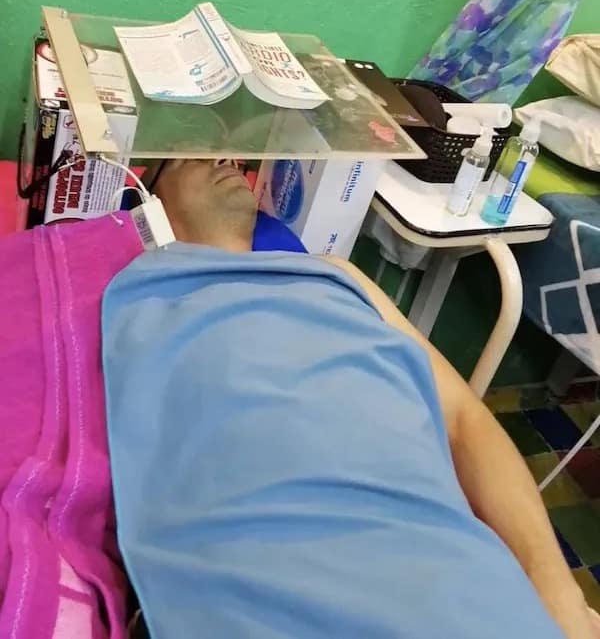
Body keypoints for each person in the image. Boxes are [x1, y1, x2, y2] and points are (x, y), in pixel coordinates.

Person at [101, 159, 598, 639]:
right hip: (266, 582)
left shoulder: (336, 276)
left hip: (456, 578)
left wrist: (558, 591)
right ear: (152, 206)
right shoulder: (140, 294)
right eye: (191, 158)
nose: (225, 161)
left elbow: (466, 422)